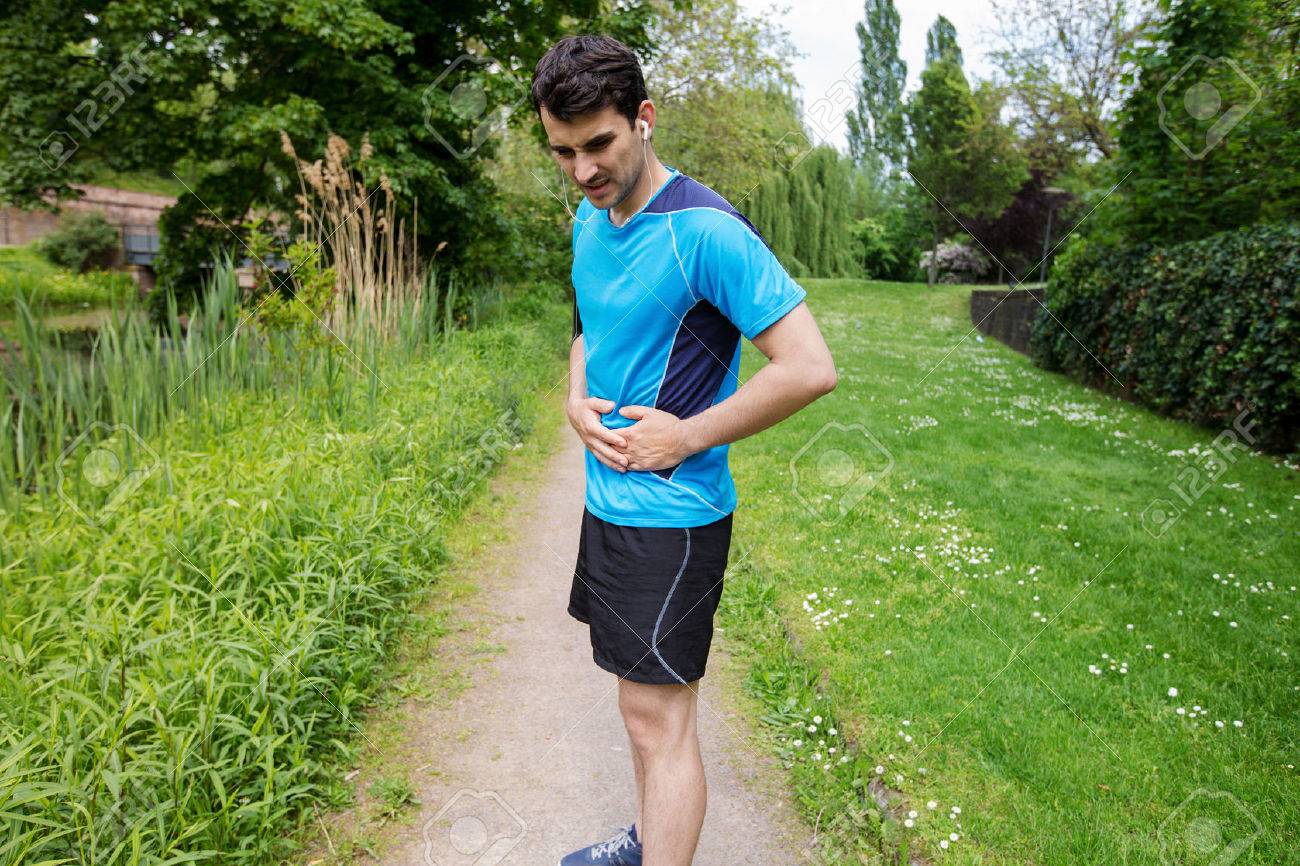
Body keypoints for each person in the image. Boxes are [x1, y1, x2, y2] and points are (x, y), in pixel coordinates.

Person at [530, 33, 837, 866]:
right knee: (638, 709)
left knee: (660, 721)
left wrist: (687, 434)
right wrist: (574, 396)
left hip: (673, 517)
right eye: (563, 151)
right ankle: (647, 841)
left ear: (645, 118)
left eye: (599, 144)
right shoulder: (590, 220)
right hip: (608, 502)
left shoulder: (707, 231)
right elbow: (588, 327)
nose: (583, 170)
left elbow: (810, 367)